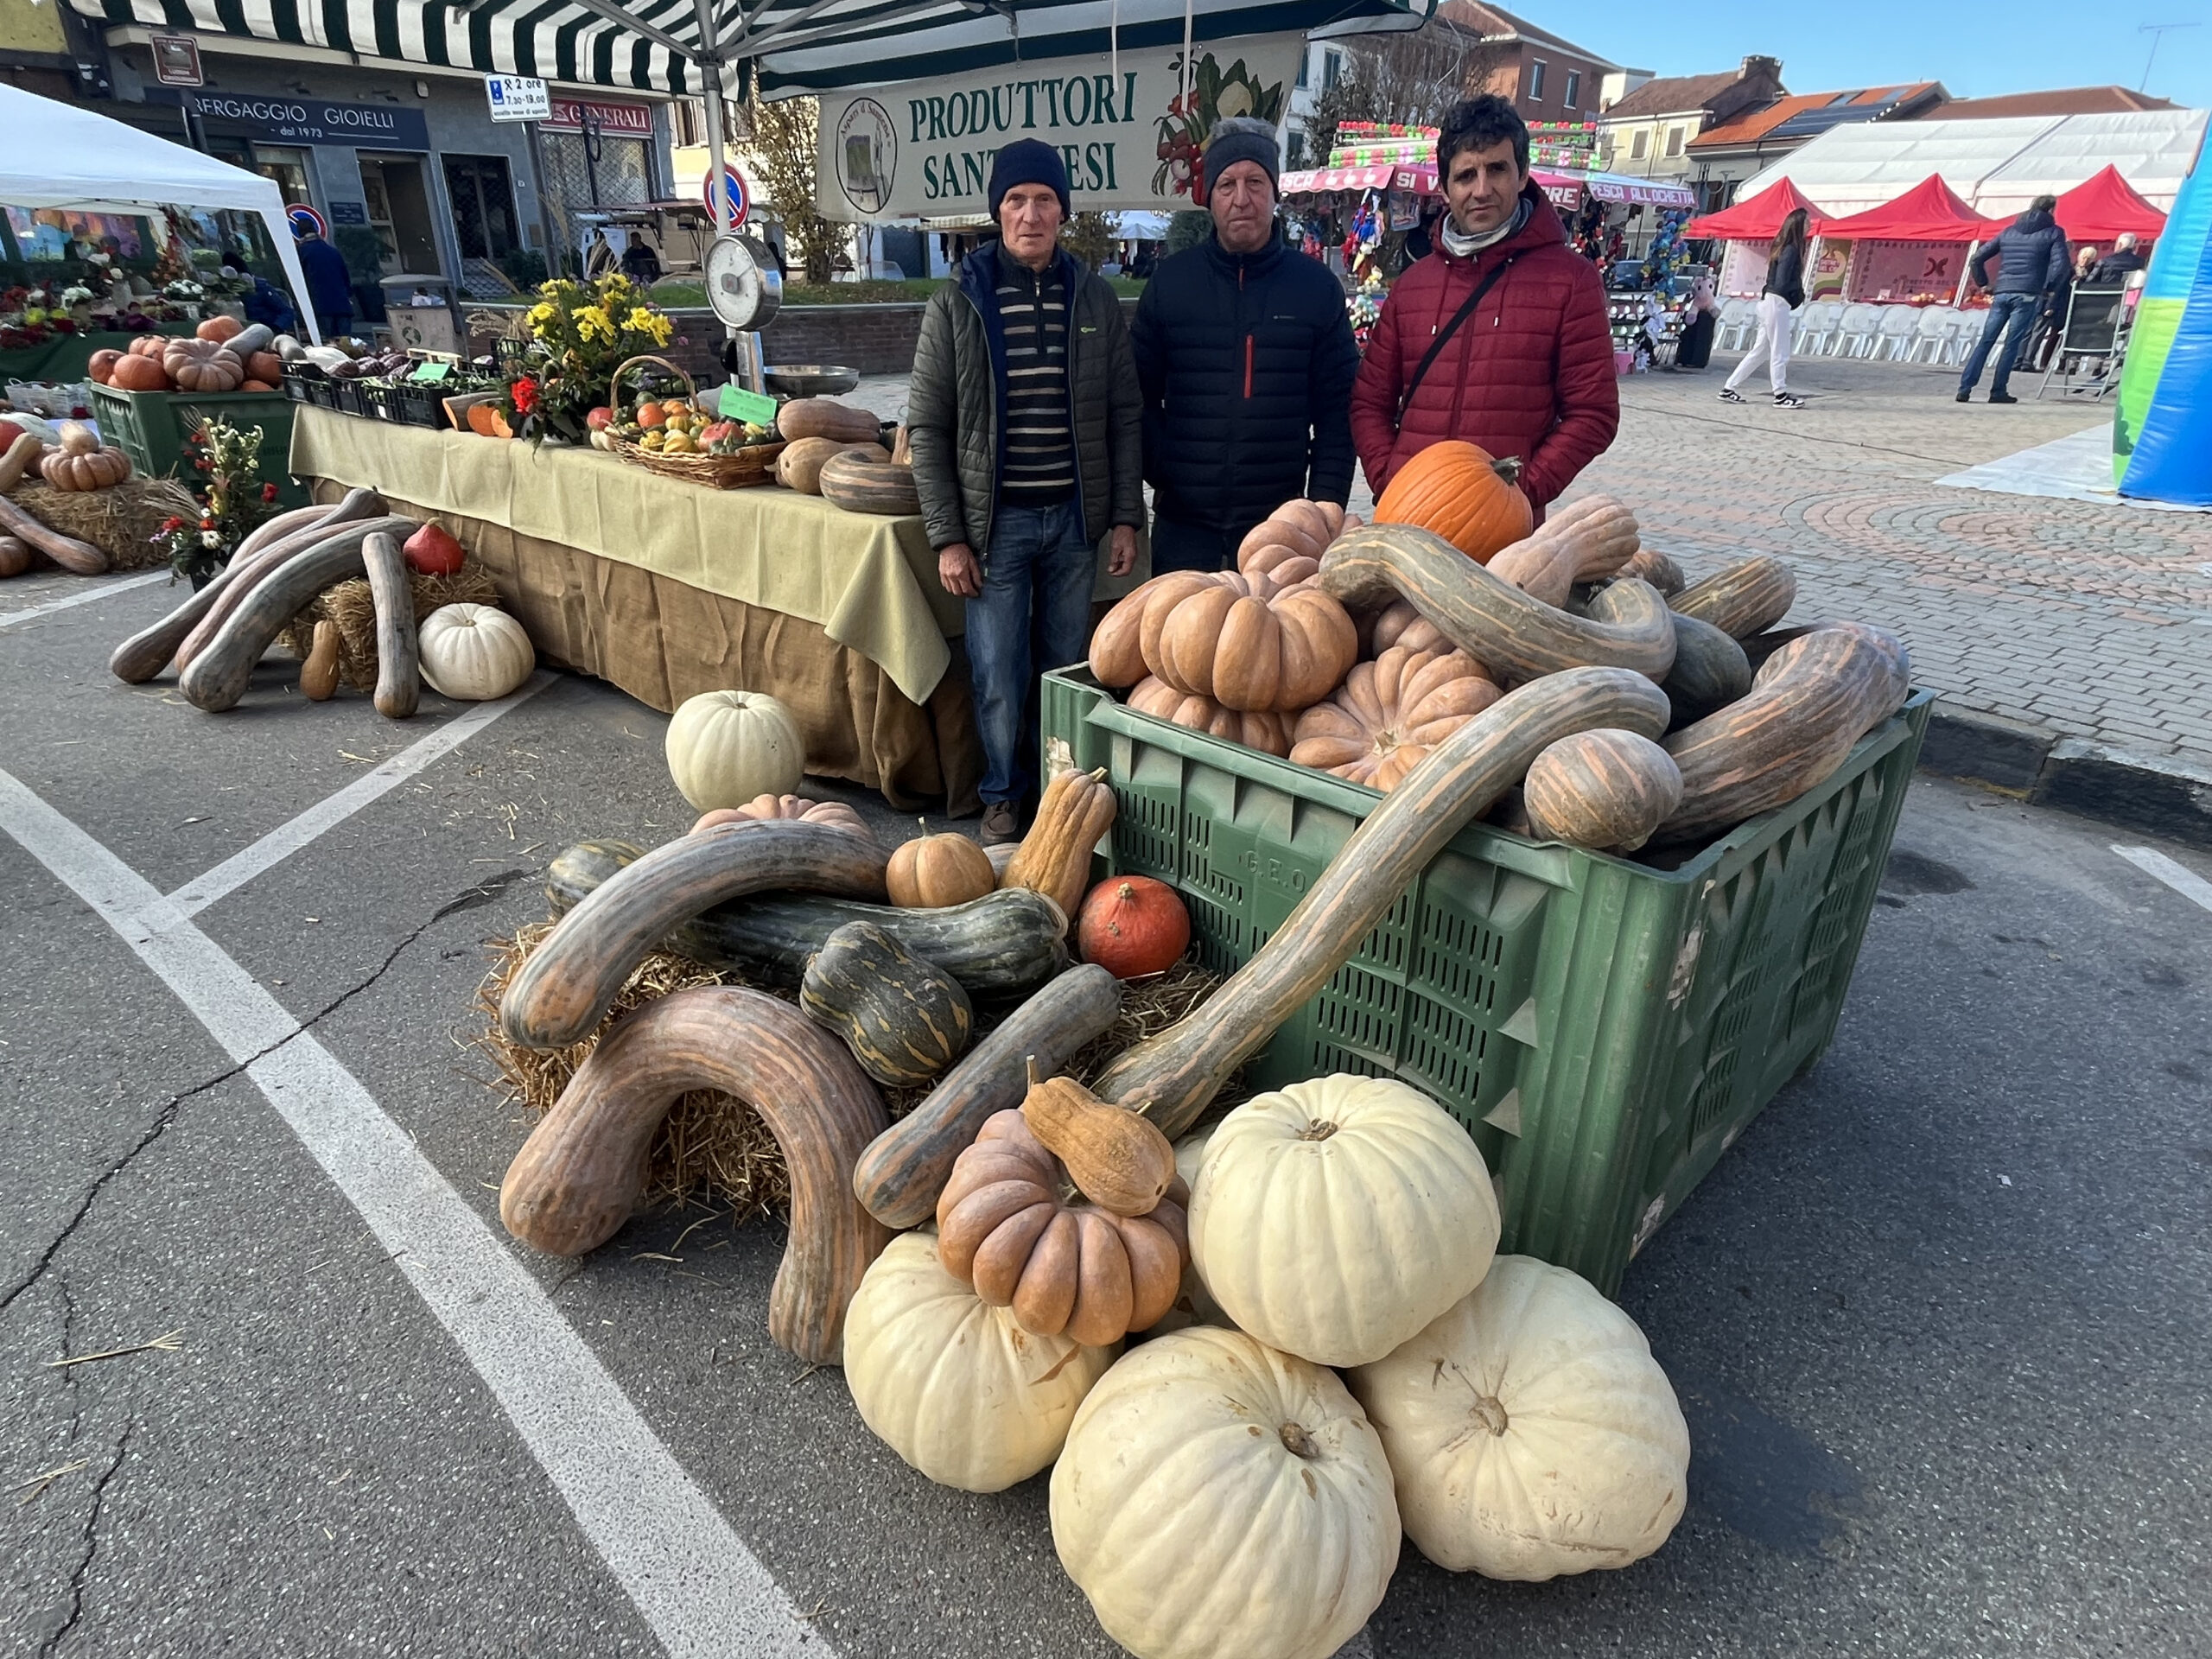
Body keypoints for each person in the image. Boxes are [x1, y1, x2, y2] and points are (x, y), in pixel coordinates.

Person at [908, 139, 1143, 845]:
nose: (1030, 214)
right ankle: (1003, 796)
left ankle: (1055, 794)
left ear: (1063, 211)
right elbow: (927, 426)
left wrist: (1126, 516)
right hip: (996, 528)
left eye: (1044, 200)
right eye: (1016, 200)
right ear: (997, 211)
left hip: (1075, 525)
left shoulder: (1096, 297)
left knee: (1065, 669)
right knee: (999, 674)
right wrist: (948, 534)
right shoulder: (958, 301)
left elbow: (1125, 414)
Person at [1350, 95, 1617, 511]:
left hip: (1502, 537)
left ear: (1523, 173)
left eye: (1497, 169)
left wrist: (1518, 494)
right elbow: (1369, 403)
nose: (1481, 190)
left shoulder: (1570, 281)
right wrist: (1389, 479)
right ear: (1445, 187)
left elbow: (1593, 414)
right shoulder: (1413, 285)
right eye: (1465, 175)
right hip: (1407, 517)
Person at [1131, 116, 1358, 573]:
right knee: (1176, 642)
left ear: (1274, 192)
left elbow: (1339, 413)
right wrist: (1165, 469)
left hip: (1278, 528)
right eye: (1227, 184)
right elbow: (1136, 396)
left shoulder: (1315, 289)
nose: (1241, 199)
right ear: (1210, 197)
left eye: (1255, 182)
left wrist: (1323, 509)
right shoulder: (1173, 283)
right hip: (1184, 525)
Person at [1956, 194, 2068, 404]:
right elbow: (2061, 265)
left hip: (2002, 290)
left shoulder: (2009, 231)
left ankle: (1965, 388)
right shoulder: (2053, 233)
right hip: (2028, 292)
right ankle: (1998, 390)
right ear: (2051, 210)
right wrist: (2050, 288)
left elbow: (1977, 258)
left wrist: (1983, 284)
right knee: (2012, 343)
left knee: (1986, 341)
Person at [1718, 207, 1809, 409]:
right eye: (1807, 222)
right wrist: (1797, 293)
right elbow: (1784, 280)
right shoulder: (1792, 249)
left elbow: (1775, 279)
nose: (1809, 226)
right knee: (1780, 350)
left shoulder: (1782, 247)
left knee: (1761, 350)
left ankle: (1729, 387)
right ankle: (1780, 394)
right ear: (1799, 225)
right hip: (1777, 302)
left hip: (1770, 300)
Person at [293, 224, 353, 340]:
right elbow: (346, 277)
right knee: (346, 343)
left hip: (320, 306)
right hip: (342, 305)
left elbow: (298, 279)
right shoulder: (333, 251)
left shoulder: (302, 252)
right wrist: (348, 295)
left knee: (328, 345)